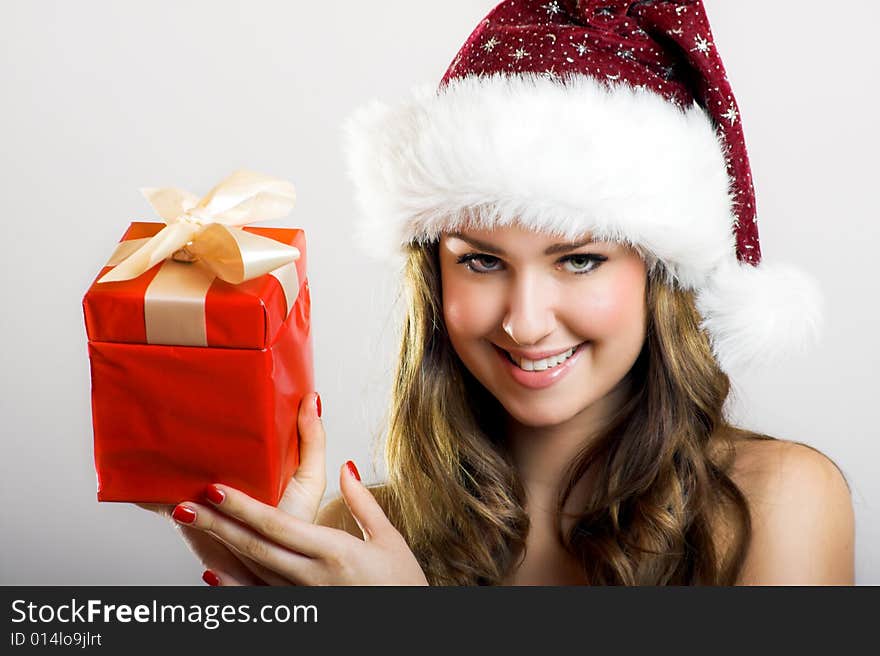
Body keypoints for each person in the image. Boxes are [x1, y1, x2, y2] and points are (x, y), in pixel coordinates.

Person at [148, 0, 854, 585]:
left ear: (657, 274)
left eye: (578, 261)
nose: (525, 322)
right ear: (435, 276)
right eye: (482, 263)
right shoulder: (356, 540)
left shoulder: (776, 503)